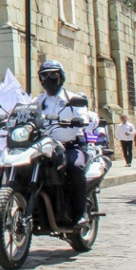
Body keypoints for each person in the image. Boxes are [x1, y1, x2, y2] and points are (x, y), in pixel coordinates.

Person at [33, 60, 90, 227]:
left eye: (53, 75)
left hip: (71, 145)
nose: (49, 79)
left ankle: (80, 213)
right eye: (44, 75)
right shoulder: (38, 100)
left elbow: (83, 114)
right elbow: (26, 113)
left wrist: (79, 120)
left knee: (75, 167)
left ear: (61, 77)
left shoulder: (72, 98)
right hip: (45, 146)